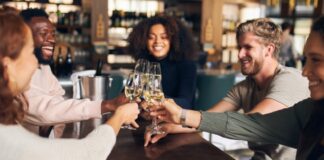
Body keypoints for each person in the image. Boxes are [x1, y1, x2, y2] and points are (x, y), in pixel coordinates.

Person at [151, 16, 324, 160]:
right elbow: (210, 118)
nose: (240, 54)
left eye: (248, 47)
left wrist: (182, 116)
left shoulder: (289, 80)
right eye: (239, 47)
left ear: (268, 50)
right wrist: (172, 123)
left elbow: (251, 125)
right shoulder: (244, 87)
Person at [0, 8, 139, 159]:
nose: (34, 63)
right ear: (7, 65)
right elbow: (87, 153)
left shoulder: (44, 68)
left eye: (53, 33)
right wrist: (118, 116)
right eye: (29, 52)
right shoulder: (7, 137)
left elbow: (55, 105)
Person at [19, 8, 132, 137]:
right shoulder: (14, 72)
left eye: (53, 33)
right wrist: (107, 105)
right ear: (22, 37)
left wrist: (51, 132)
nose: (51, 39)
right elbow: (44, 111)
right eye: (43, 33)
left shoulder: (43, 67)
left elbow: (56, 99)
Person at [126, 15, 198, 109]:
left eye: (164, 37)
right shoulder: (143, 64)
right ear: (143, 40)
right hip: (148, 119)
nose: (157, 41)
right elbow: (128, 95)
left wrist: (157, 101)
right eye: (151, 37)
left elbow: (186, 102)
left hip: (177, 121)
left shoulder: (187, 65)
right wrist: (139, 105)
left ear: (174, 40)